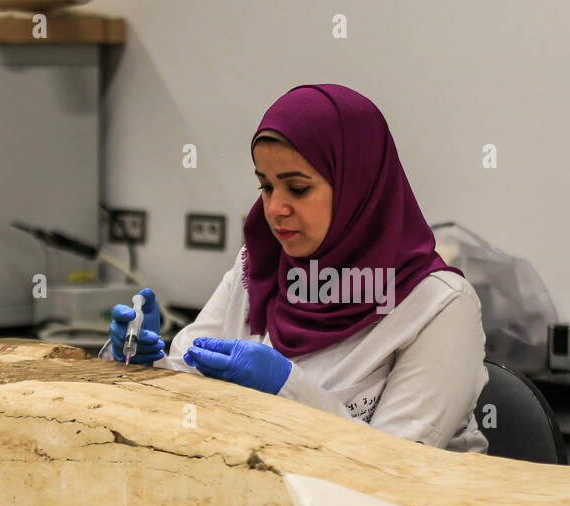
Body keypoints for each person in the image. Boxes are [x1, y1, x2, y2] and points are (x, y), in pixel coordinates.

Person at [99, 83, 488, 452]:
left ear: (358, 189)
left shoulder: (440, 307)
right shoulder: (262, 266)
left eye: (298, 189)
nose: (274, 209)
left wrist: (287, 388)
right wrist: (140, 362)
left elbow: (396, 466)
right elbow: (189, 386)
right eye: (265, 187)